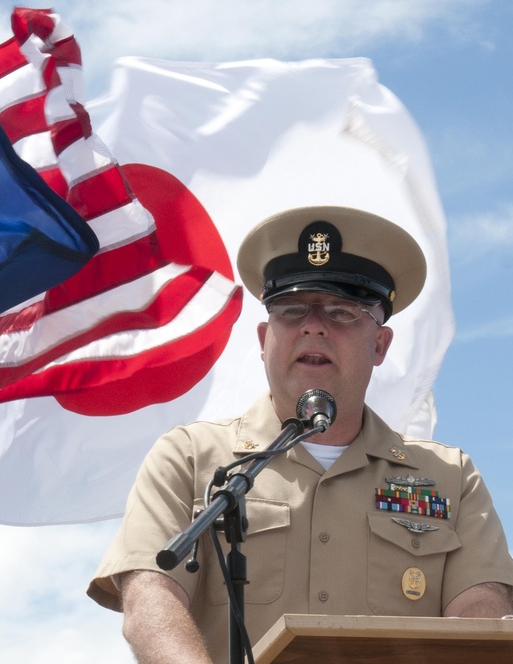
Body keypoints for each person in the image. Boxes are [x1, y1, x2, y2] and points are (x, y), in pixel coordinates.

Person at [87, 206, 513, 663]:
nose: (313, 325)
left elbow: (479, 620)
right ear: (263, 338)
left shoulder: (449, 478)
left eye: (341, 311)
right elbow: (151, 601)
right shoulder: (191, 458)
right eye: (291, 311)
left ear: (379, 345)